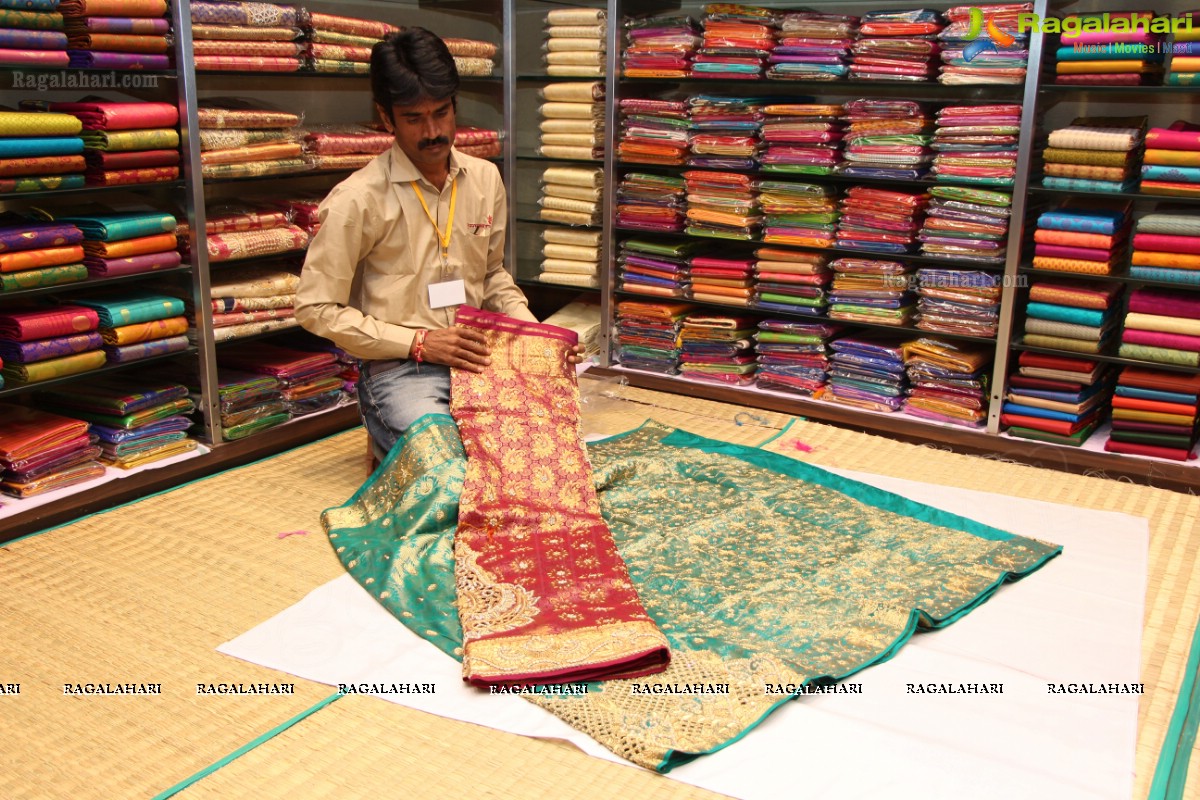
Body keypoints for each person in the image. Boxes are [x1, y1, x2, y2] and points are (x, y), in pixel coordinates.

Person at [295, 27, 579, 457]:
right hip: (401, 370)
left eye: (442, 113)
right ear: (385, 118)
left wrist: (538, 338)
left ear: (454, 106)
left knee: (544, 452)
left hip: (482, 356)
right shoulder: (358, 199)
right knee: (454, 466)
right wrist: (418, 343)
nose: (433, 131)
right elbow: (315, 308)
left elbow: (492, 275)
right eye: (413, 118)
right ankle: (398, 438)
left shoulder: (484, 179)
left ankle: (403, 449)